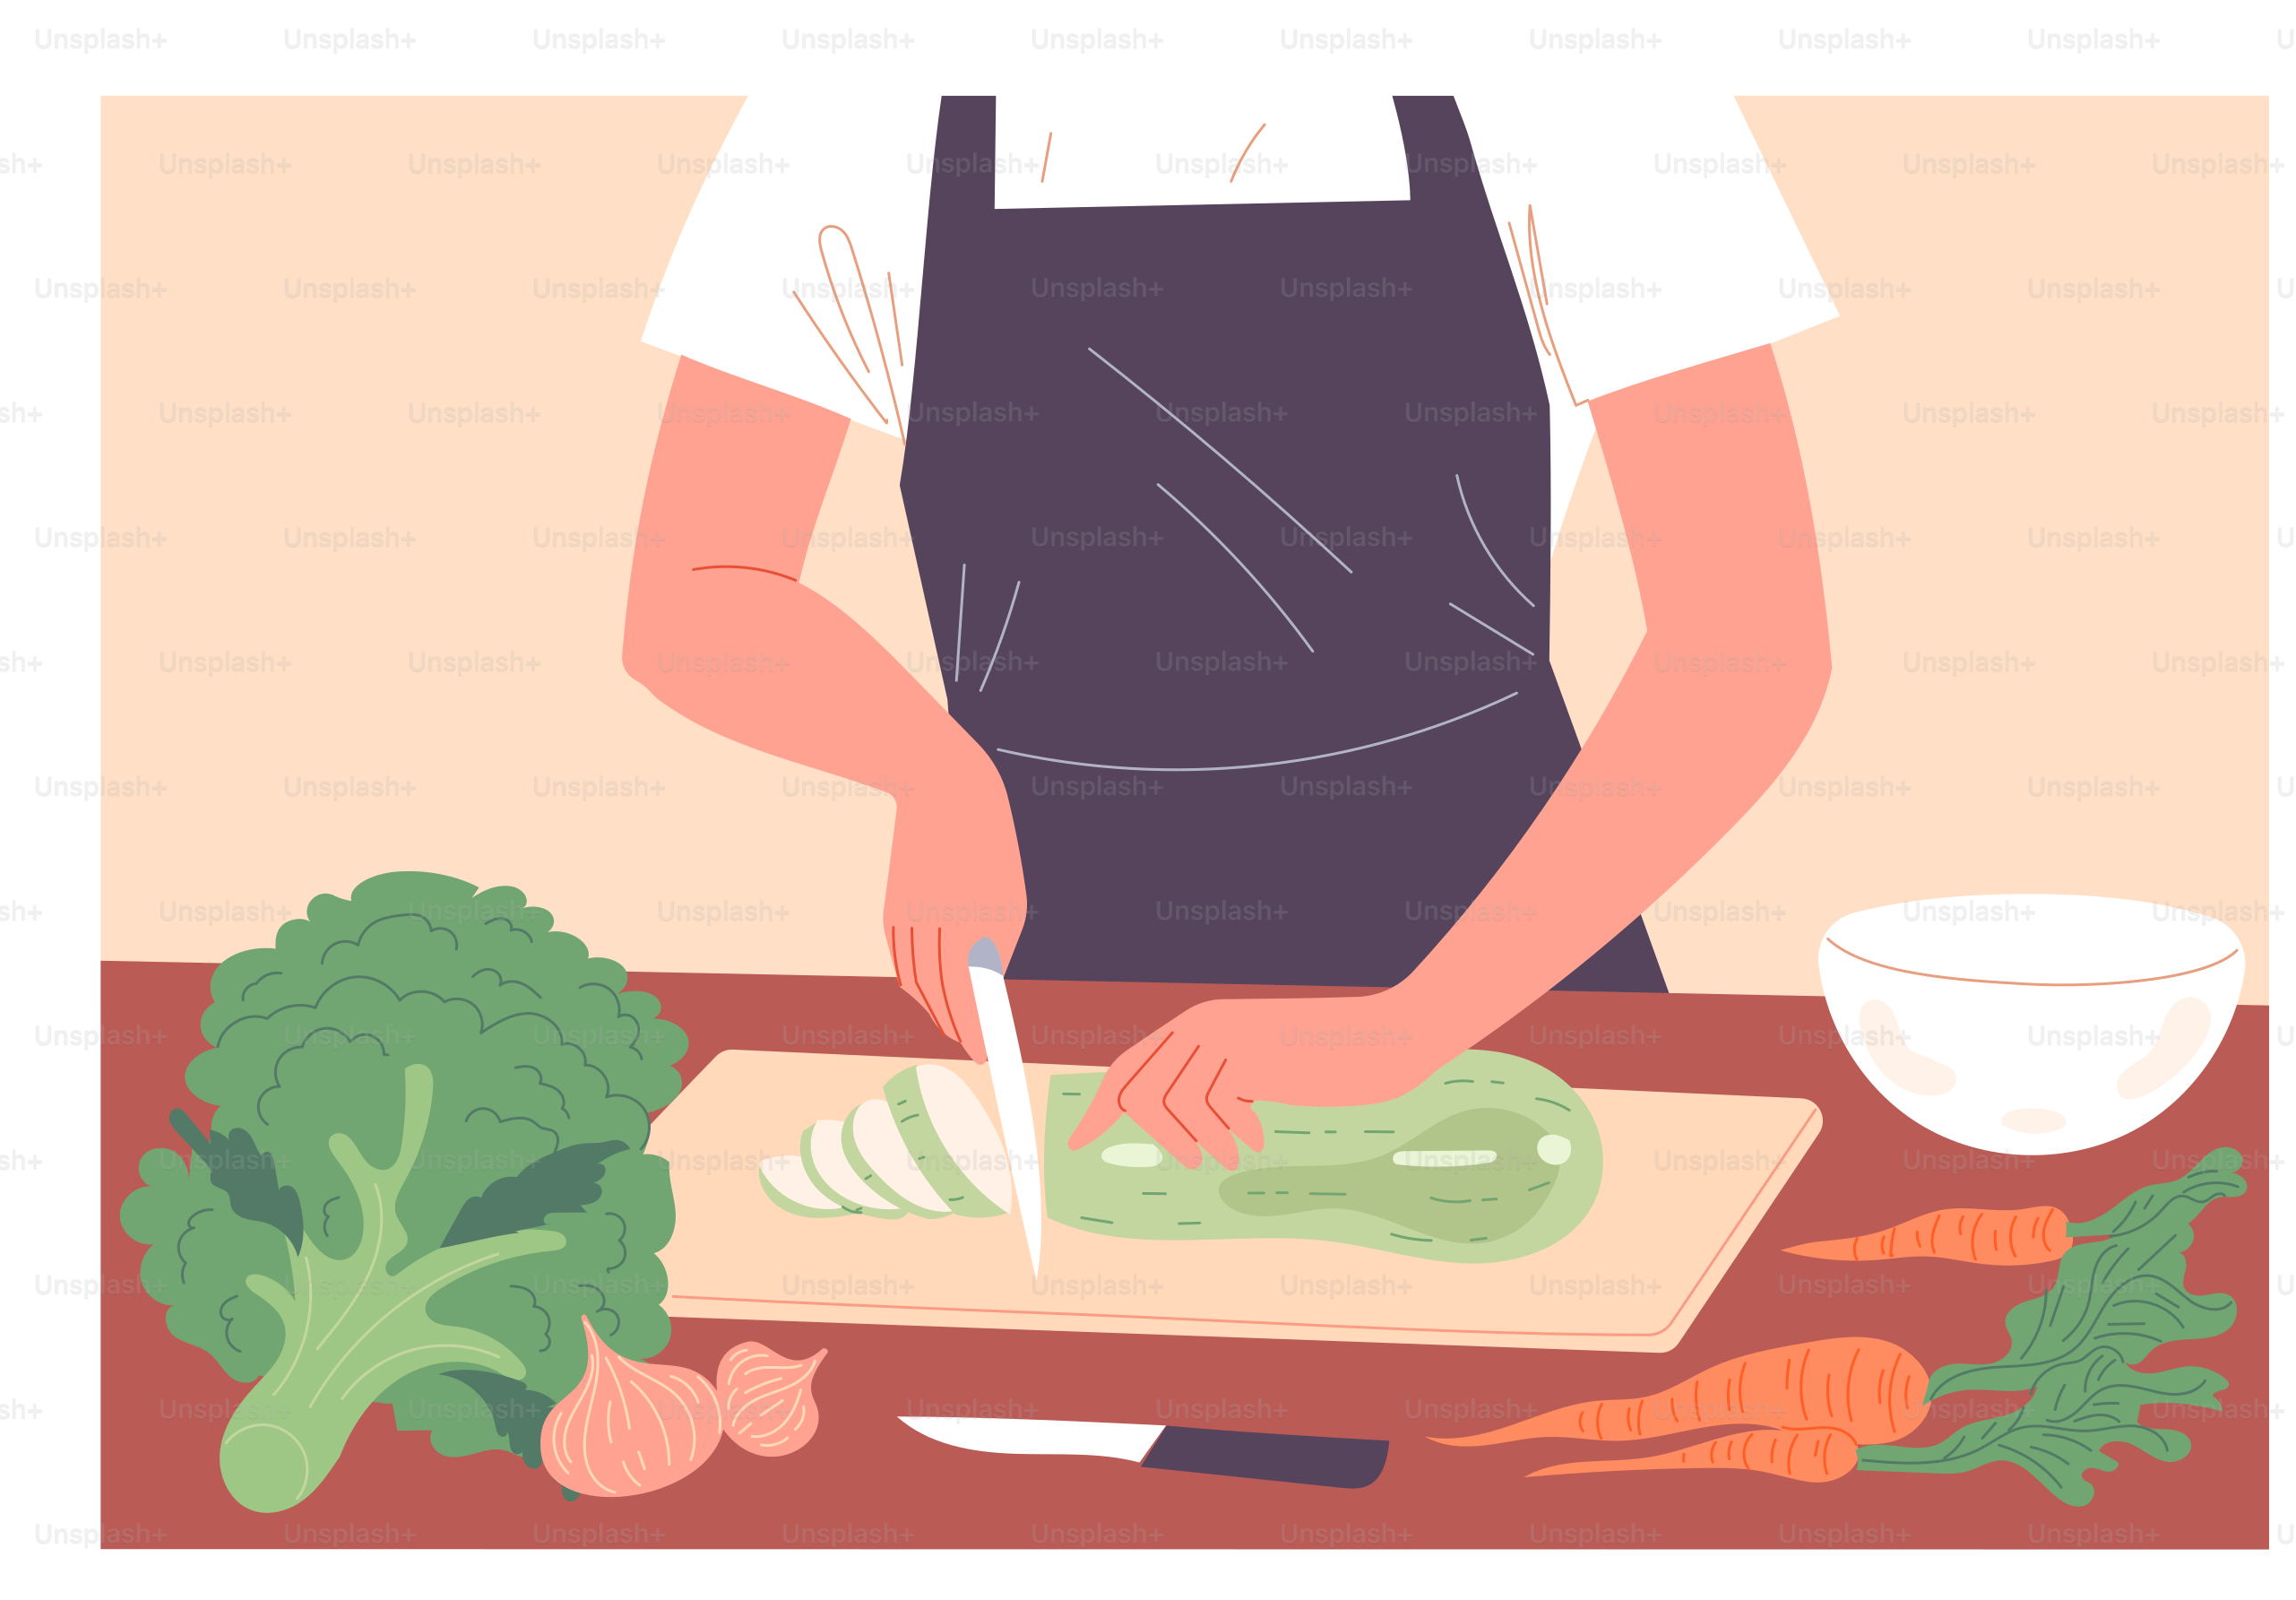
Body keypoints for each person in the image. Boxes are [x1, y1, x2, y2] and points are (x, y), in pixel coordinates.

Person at [626, 93, 1834, 1169]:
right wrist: (930, 771)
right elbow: (695, 587)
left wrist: (1404, 1028)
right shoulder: (855, 102)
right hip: (1060, 989)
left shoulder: (1597, 89)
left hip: (1510, 985)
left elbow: (1743, 645)